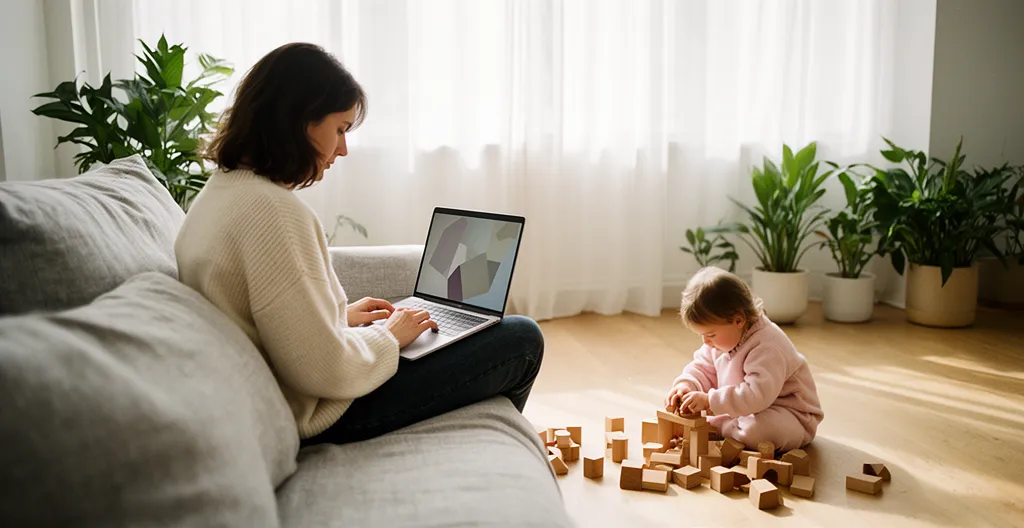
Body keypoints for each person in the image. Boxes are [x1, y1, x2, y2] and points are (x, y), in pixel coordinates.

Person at [175, 42, 544, 446]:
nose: (343, 149)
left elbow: (263, 323)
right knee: (522, 338)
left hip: (272, 394)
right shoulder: (274, 213)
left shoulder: (219, 192)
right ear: (298, 119)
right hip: (324, 415)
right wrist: (390, 336)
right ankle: (491, 448)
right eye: (339, 129)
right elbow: (325, 370)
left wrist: (338, 318)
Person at [664, 267, 823, 451]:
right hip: (748, 410)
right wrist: (686, 386)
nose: (706, 342)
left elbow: (756, 396)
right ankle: (724, 426)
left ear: (738, 320)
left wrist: (709, 402)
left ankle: (720, 428)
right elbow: (701, 368)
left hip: (792, 415)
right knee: (725, 416)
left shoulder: (768, 346)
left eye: (711, 334)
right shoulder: (720, 342)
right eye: (702, 335)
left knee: (756, 431)